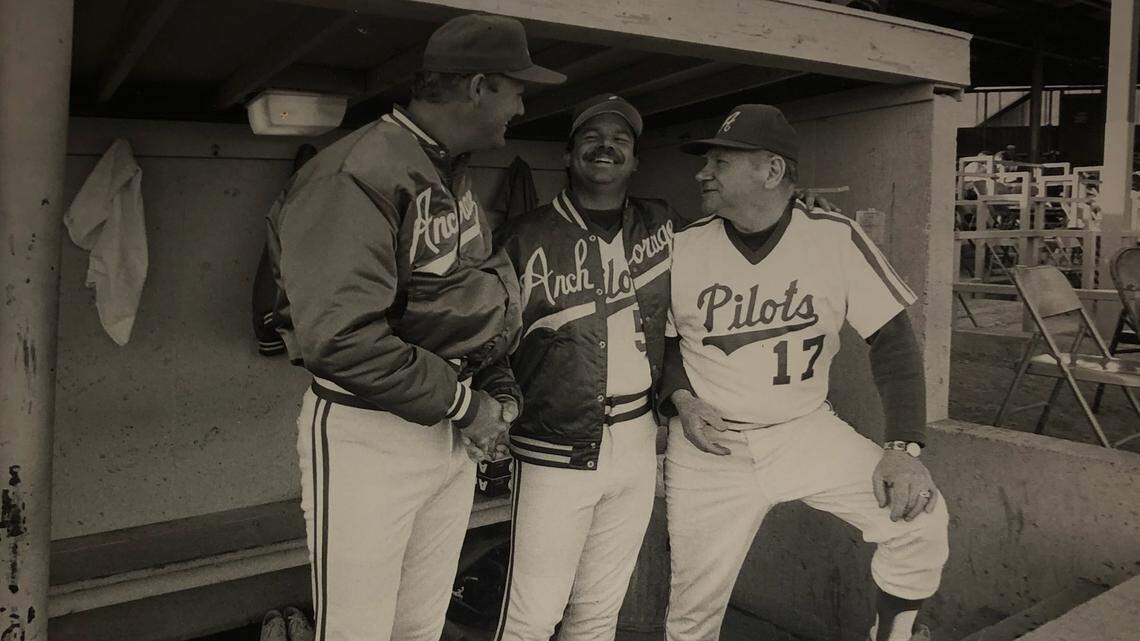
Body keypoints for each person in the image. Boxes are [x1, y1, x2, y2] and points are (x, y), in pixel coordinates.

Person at [264, 14, 564, 641]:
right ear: (479, 86)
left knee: (418, 628)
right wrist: (466, 405)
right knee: (357, 632)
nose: (522, 103)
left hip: (448, 429)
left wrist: (497, 387)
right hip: (369, 434)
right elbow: (340, 338)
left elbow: (471, 297)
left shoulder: (446, 170)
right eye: (516, 88)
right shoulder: (356, 173)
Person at [659, 104, 950, 641]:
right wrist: (681, 397)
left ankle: (894, 636)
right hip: (711, 448)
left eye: (720, 163)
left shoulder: (833, 238)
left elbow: (893, 344)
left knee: (921, 515)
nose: (702, 173)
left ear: (771, 172)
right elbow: (664, 342)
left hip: (805, 430)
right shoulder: (684, 246)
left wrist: (905, 449)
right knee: (692, 611)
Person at [494, 94, 676, 641]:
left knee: (599, 612)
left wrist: (797, 207)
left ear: (636, 160)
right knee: (532, 614)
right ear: (568, 155)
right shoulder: (523, 235)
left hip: (638, 440)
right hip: (554, 444)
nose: (606, 146)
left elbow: (735, 242)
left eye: (621, 139)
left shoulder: (664, 223)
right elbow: (488, 343)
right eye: (592, 137)